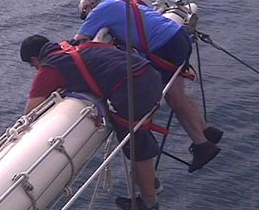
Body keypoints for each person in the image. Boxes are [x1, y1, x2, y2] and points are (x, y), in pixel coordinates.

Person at [74, 0, 223, 173]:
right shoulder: (120, 1)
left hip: (163, 46)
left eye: (84, 13)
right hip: (176, 36)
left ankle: (202, 145)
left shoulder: (99, 11)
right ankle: (206, 130)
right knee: (178, 95)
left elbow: (79, 40)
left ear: (90, 5)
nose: (86, 17)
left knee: (173, 99)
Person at [20, 34, 163, 209]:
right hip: (149, 75)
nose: (35, 69)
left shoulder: (51, 66)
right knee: (139, 137)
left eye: (32, 65)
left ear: (36, 58)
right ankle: (152, 183)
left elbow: (30, 112)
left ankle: (149, 203)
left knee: (136, 147)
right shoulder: (78, 46)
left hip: (132, 89)